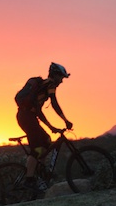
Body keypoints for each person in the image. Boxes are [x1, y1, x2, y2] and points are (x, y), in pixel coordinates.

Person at [15, 62, 74, 191]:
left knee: (46, 141)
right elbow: (54, 104)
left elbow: (38, 111)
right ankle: (29, 180)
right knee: (36, 149)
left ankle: (38, 172)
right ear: (55, 75)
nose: (62, 81)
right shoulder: (50, 85)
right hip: (27, 118)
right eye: (61, 78)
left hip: (27, 117)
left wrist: (51, 127)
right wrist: (65, 121)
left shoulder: (44, 86)